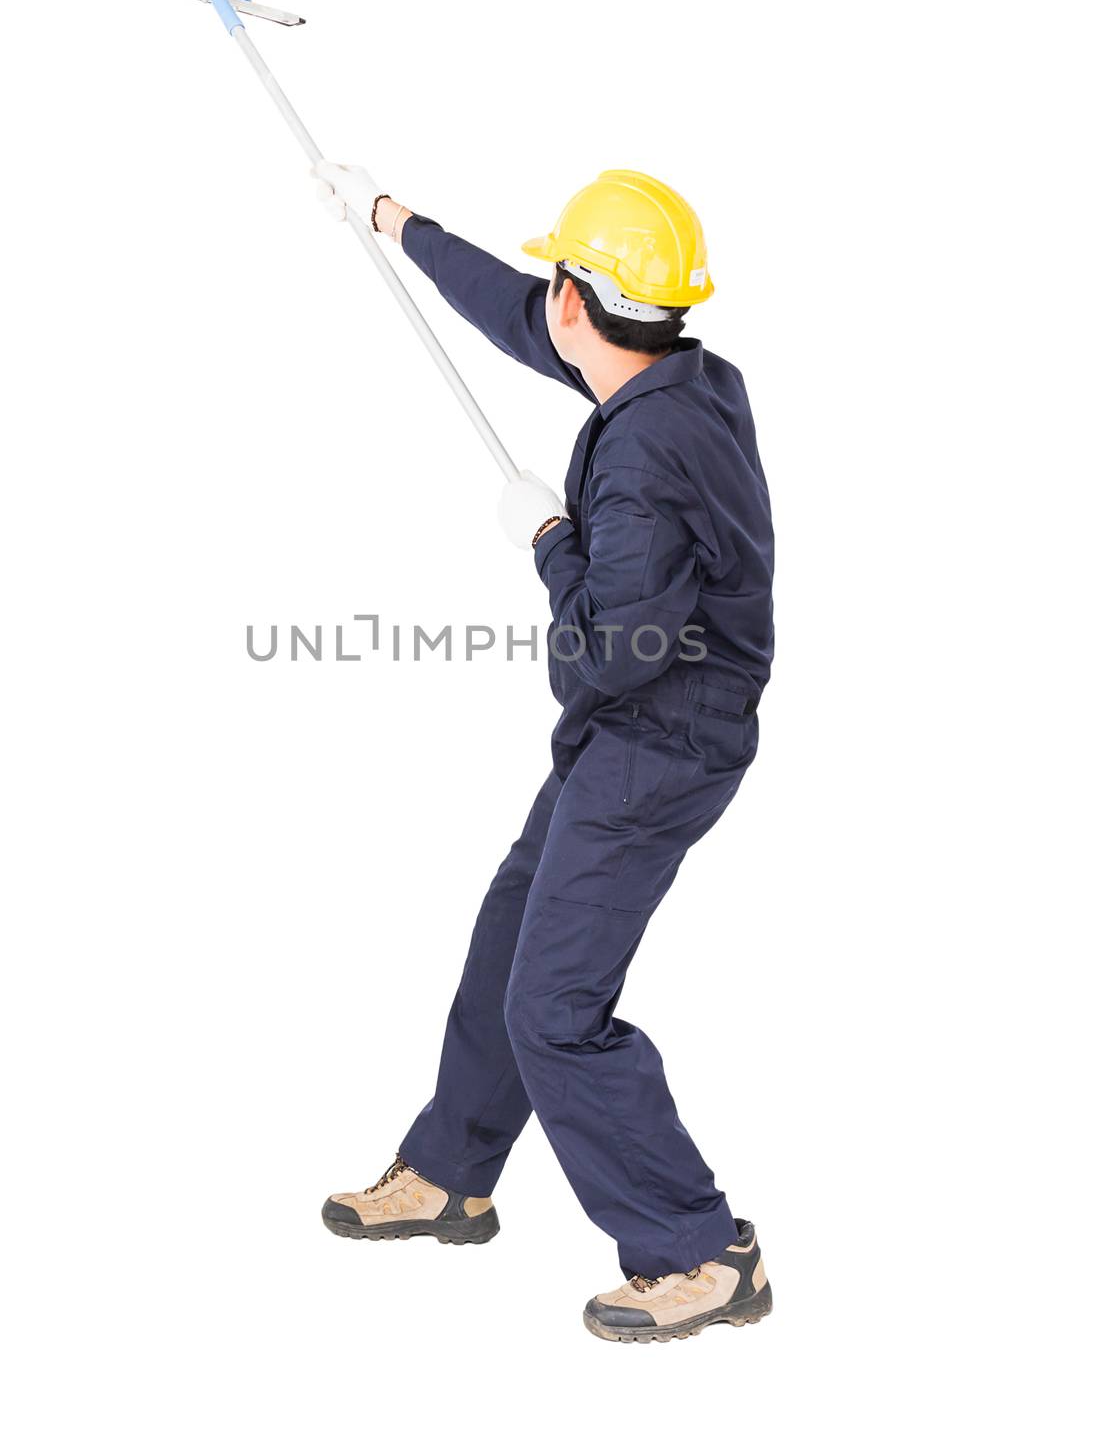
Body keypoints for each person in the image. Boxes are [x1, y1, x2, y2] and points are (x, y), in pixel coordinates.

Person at [310, 164, 775, 1344]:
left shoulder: (639, 467)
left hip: (655, 739)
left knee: (555, 1008)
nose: (547, 307)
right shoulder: (688, 375)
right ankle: (451, 1174)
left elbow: (601, 655)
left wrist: (550, 542)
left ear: (584, 298)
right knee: (512, 936)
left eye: (557, 284)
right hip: (646, 727)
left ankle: (699, 1249)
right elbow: (530, 321)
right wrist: (393, 221)